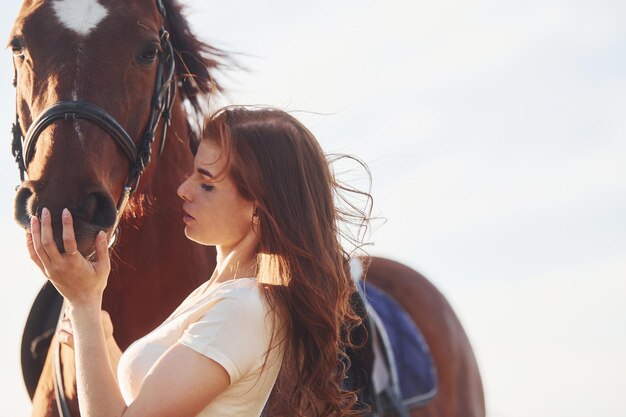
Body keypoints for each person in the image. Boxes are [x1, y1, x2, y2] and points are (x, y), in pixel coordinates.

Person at [27, 107, 370, 417]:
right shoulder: (216, 295)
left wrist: (84, 305)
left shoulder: (242, 308)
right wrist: (100, 337)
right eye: (193, 172)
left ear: (258, 210)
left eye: (207, 184)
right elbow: (143, 401)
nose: (184, 190)